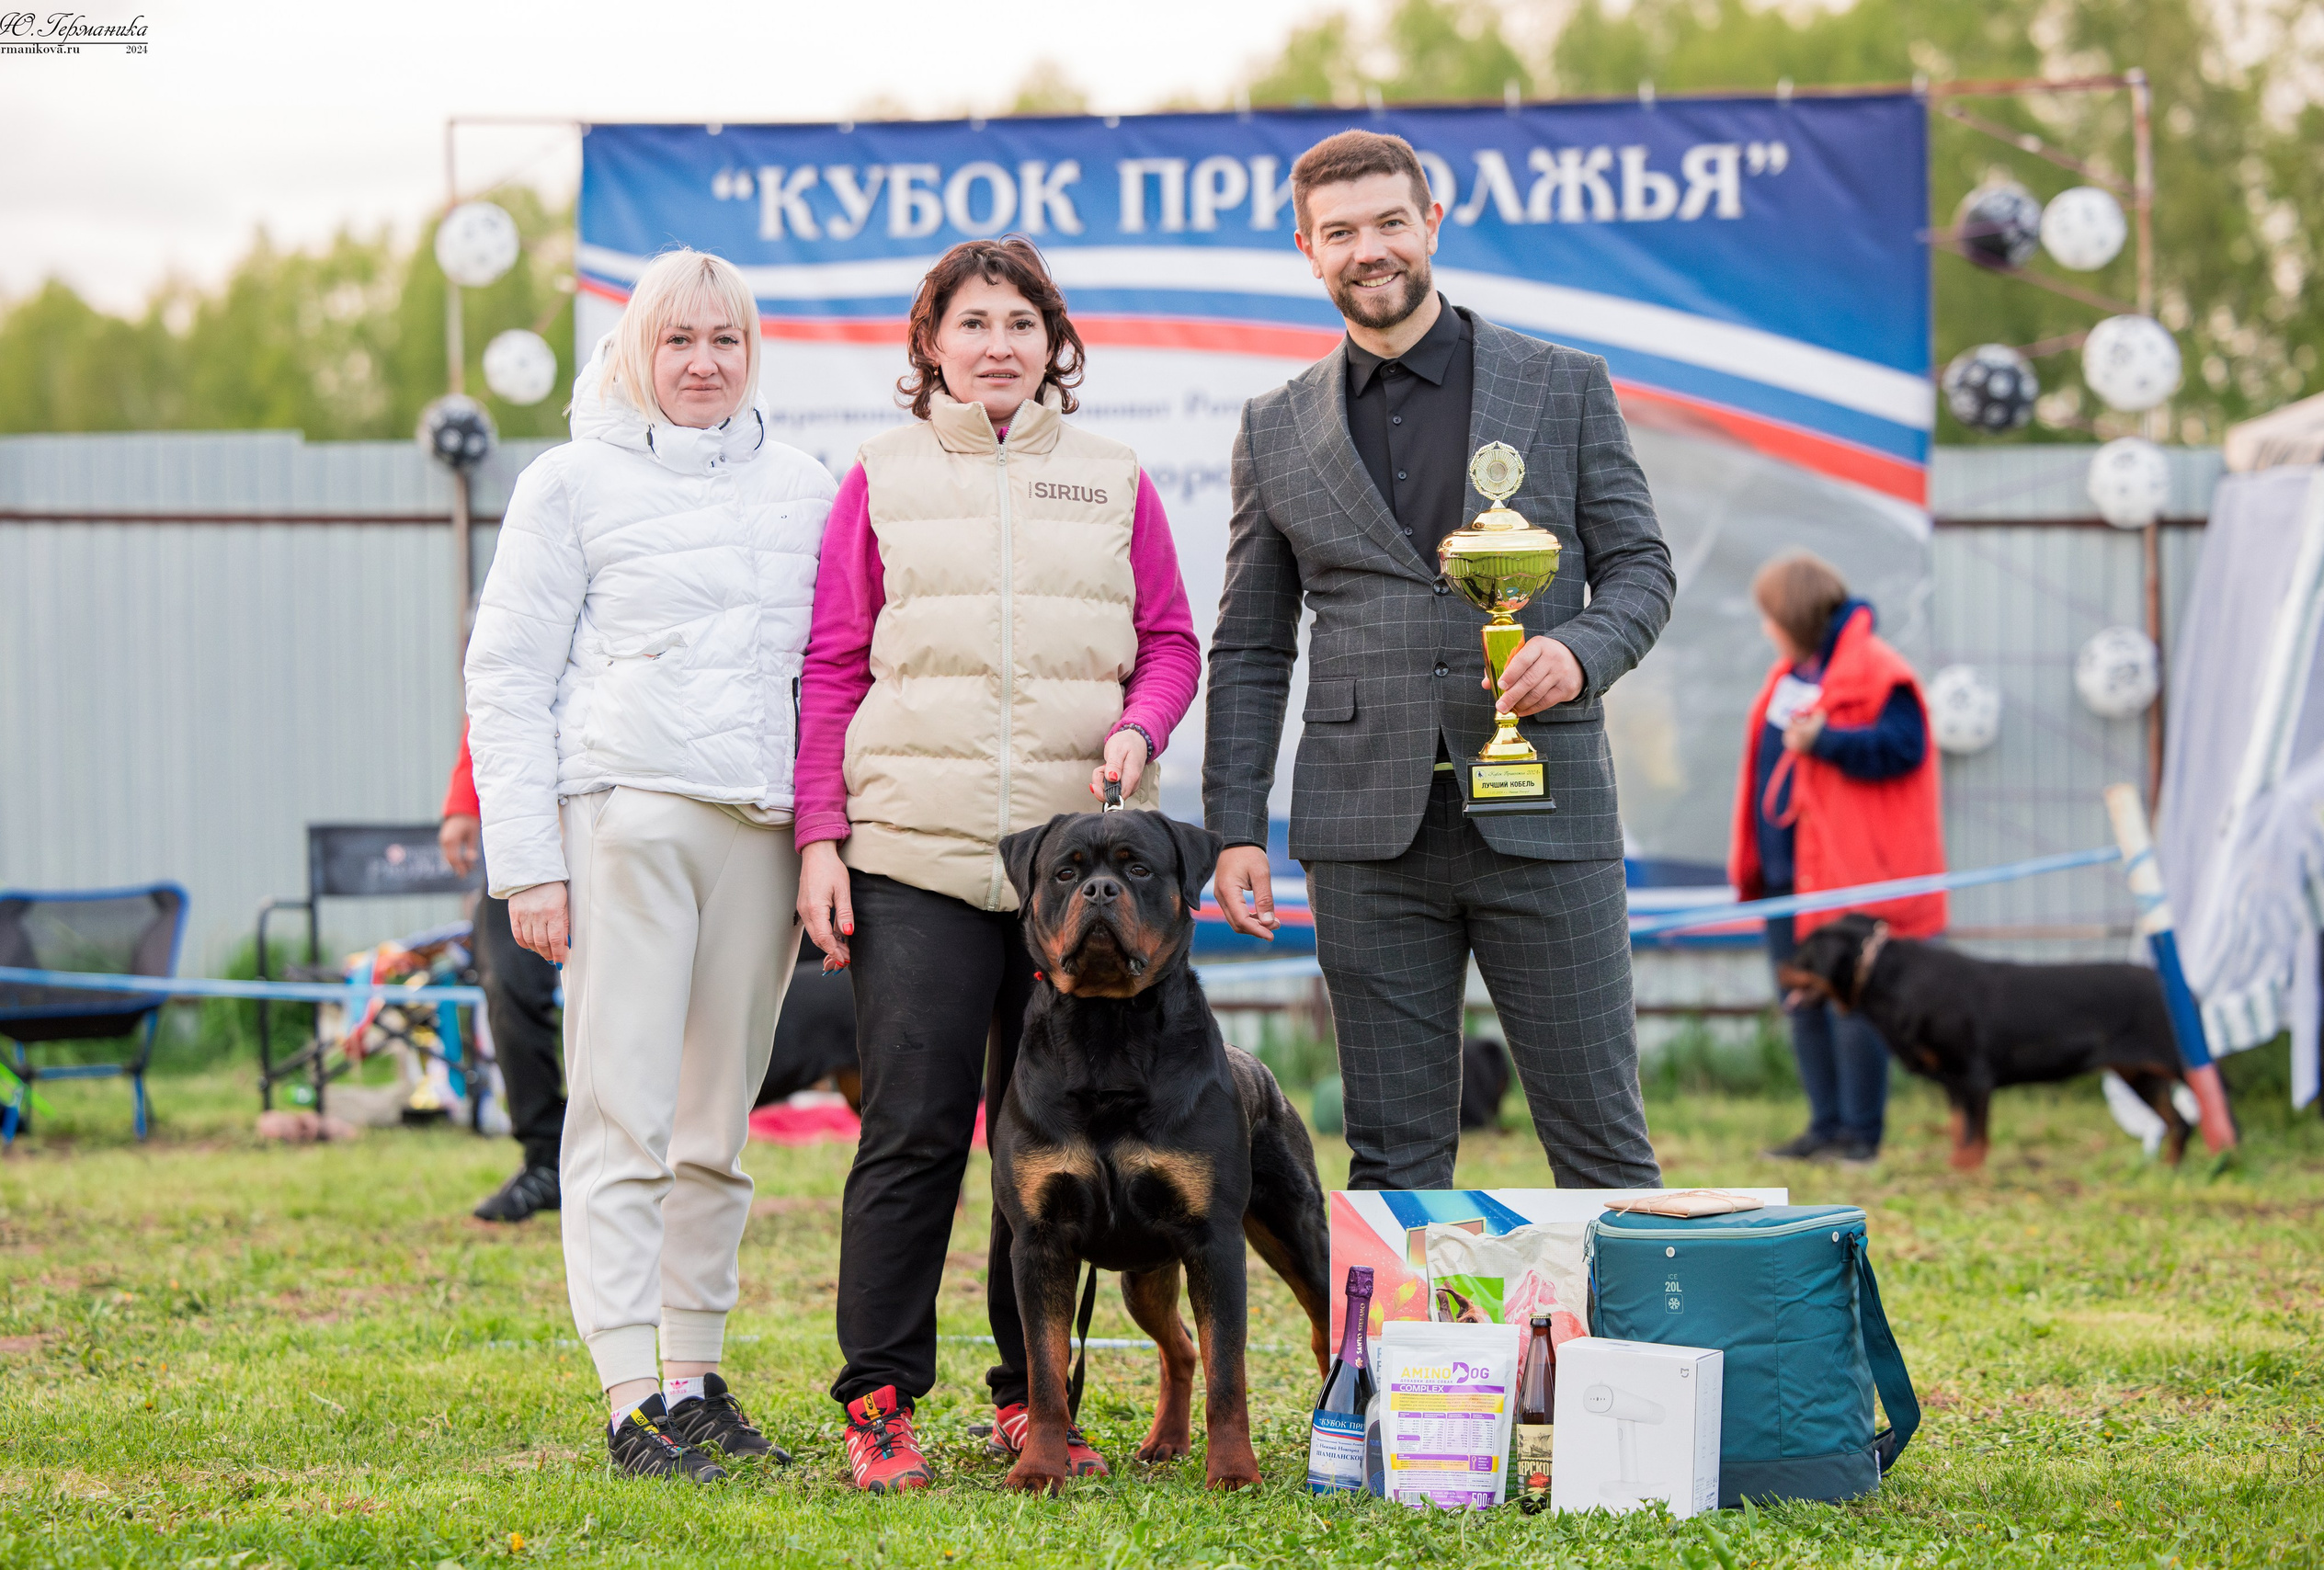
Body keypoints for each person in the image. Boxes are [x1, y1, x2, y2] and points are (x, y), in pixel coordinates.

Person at [793, 235, 1201, 1494]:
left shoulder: (1116, 477)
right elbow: (832, 665)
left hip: (1079, 877)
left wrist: (1140, 726)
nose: (998, 344)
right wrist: (821, 834)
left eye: (1021, 321)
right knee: (912, 1129)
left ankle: (1035, 1399)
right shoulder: (878, 476)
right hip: (912, 856)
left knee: (1052, 1139)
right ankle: (879, 1401)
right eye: (972, 322)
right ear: (930, 344)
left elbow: (1173, 644)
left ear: (1053, 342)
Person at [1205, 130, 1672, 1192]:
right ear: (1306, 251)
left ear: (1431, 226)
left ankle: (1630, 1364)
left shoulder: (1562, 386)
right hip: (1366, 838)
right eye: (1340, 233)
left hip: (1545, 811)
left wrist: (1578, 650)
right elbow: (1249, 641)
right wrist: (1234, 825)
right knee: (1393, 1155)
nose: (1368, 249)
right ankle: (1398, 1368)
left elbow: (1642, 569)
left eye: (1388, 222)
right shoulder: (1272, 427)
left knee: (1598, 1141)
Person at [465, 247, 834, 1480]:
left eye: (724, 340)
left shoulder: (806, 485)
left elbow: (832, 674)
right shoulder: (567, 484)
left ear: (752, 352)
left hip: (763, 829)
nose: (702, 363)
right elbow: (506, 675)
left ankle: (696, 1378)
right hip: (624, 823)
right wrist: (530, 868)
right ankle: (629, 1397)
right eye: (677, 341)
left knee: (715, 1126)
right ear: (635, 351)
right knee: (622, 1116)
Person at [1730, 550, 1943, 1165]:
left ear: (1794, 615)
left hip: (1845, 877)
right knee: (1802, 1000)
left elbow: (1906, 748)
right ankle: (1824, 1126)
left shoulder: (1879, 670)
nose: (1766, 629)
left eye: (1771, 616)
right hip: (1785, 875)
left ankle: (1860, 1135)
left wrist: (1828, 742)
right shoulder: (1790, 672)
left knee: (1853, 1007)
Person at [436, 722, 565, 1222]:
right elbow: (502, 678)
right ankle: (544, 1159)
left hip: (628, 805)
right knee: (507, 985)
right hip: (531, 822)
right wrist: (464, 801)